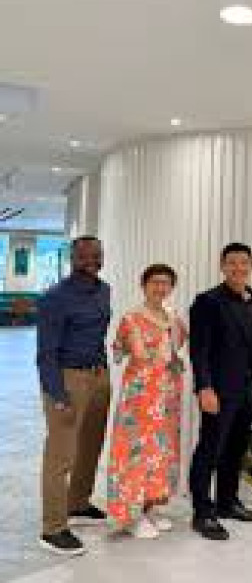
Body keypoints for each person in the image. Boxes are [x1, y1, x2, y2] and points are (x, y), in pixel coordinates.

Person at [189, 242, 252, 541]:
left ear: (251, 266)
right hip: (219, 391)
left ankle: (228, 502)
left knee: (236, 449)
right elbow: (199, 350)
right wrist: (204, 387)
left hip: (249, 389)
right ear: (222, 266)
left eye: (243, 262)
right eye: (232, 262)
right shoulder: (207, 301)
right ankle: (202, 512)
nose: (238, 268)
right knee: (210, 450)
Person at [37, 236, 111, 556]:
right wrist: (57, 395)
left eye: (96, 255)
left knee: (90, 446)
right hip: (67, 379)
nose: (90, 260)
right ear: (72, 258)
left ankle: (78, 503)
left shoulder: (105, 290)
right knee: (61, 454)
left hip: (99, 376)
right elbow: (46, 353)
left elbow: (98, 334)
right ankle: (53, 528)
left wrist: (104, 368)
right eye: (83, 255)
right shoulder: (54, 298)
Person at [106, 264, 187, 539]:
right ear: (143, 285)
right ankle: (130, 515)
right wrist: (127, 346)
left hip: (167, 394)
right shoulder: (131, 318)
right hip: (140, 396)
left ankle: (149, 507)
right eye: (155, 282)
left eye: (166, 283)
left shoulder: (172, 317)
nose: (160, 288)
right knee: (136, 451)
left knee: (161, 450)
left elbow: (178, 347)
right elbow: (118, 351)